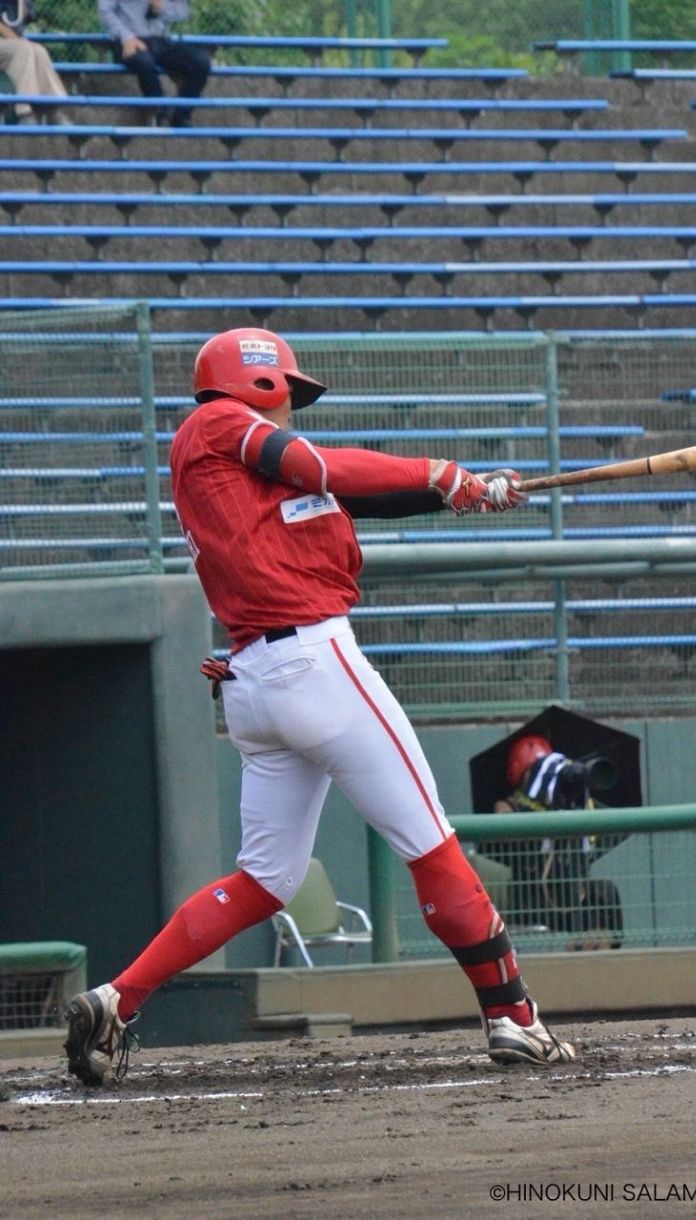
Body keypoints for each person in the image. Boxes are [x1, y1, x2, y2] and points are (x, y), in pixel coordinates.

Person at [63, 326, 576, 1086]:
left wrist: (466, 490)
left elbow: (356, 492)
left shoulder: (245, 474)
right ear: (258, 382)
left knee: (265, 878)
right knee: (432, 844)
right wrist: (440, 471)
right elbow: (323, 467)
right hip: (314, 661)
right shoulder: (221, 423)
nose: (291, 409)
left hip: (258, 679)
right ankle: (515, 1018)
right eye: (286, 392)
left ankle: (117, 999)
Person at [491, 735, 624, 949]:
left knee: (605, 891)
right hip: (531, 891)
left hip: (570, 889)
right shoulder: (508, 805)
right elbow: (505, 825)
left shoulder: (573, 804)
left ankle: (600, 956)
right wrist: (539, 812)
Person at [97, 0, 210, 127]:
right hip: (125, 42)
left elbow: (183, 11)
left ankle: (181, 115)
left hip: (159, 40)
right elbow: (105, 12)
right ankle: (160, 110)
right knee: (145, 62)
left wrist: (162, 7)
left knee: (201, 62)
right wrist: (126, 37)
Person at [0, 1, 69, 126]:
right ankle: (24, 112)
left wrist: (23, 5)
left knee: (39, 51)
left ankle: (53, 109)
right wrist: (15, 39)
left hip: (12, 42)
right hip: (10, 41)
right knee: (24, 49)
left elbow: (28, 16)